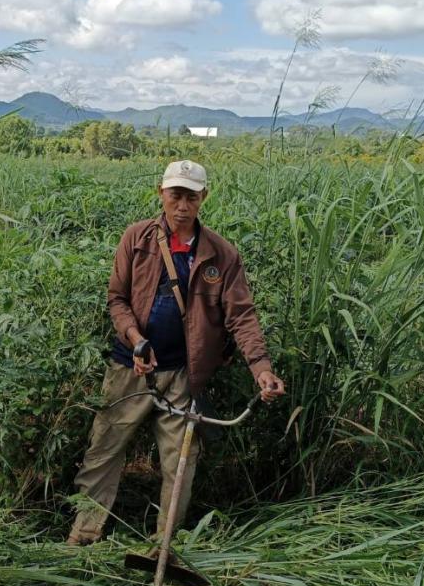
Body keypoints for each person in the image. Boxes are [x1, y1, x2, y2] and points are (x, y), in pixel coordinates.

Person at [66, 159, 285, 546]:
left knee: (180, 463)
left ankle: (164, 546)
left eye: (191, 196)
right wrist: (135, 338)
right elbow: (117, 299)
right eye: (175, 195)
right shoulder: (136, 239)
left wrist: (261, 368)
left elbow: (242, 316)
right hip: (129, 369)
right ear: (161, 193)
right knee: (103, 451)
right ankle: (83, 536)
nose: (182, 204)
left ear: (205, 198)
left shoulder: (222, 254)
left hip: (184, 376)